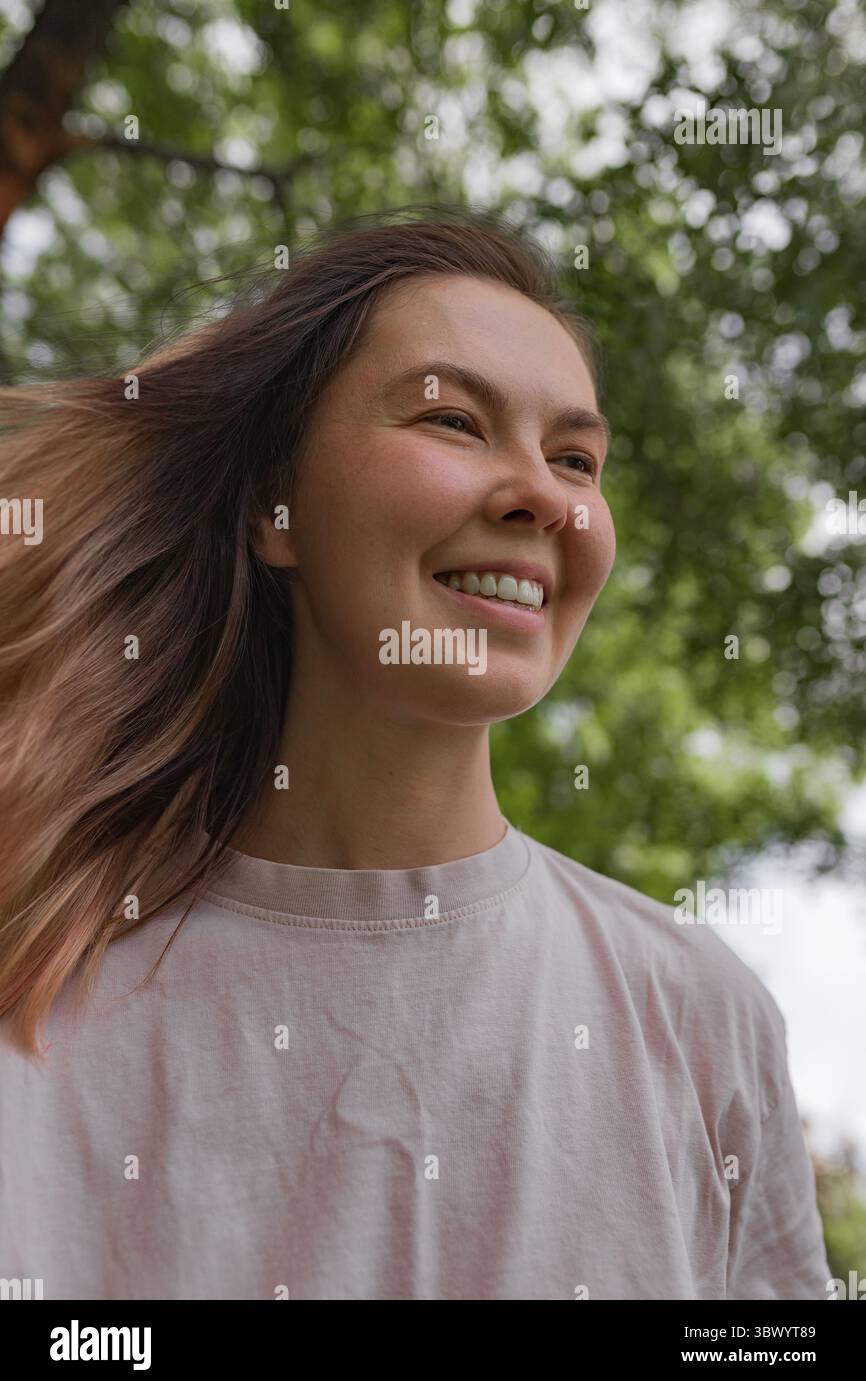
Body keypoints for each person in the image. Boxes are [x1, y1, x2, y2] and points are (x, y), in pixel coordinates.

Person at [0, 207, 831, 1300]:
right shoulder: (39, 1002)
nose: (544, 494)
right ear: (274, 505)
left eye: (575, 457)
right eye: (453, 420)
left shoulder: (697, 1017)